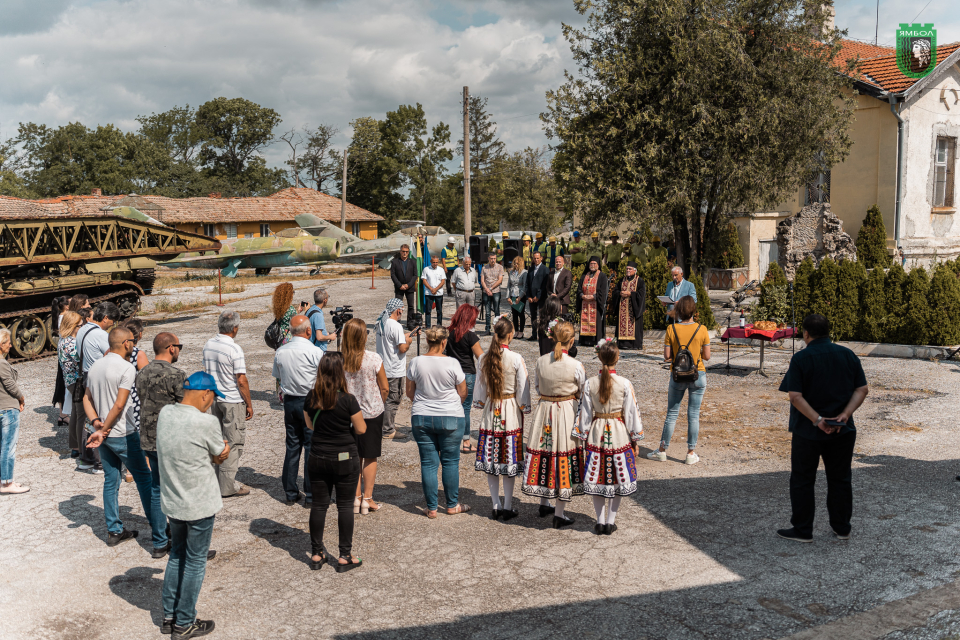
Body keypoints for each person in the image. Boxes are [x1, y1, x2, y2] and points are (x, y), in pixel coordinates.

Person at [776, 314, 868, 543]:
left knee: (803, 479)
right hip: (842, 429)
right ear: (828, 332)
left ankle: (803, 529)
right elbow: (862, 389)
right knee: (840, 479)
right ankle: (842, 527)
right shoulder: (847, 354)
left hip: (808, 431)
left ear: (806, 334)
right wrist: (846, 414)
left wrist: (818, 420)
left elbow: (795, 397)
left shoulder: (801, 359)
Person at [157, 371, 230, 638]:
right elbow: (219, 456)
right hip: (199, 502)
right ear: (204, 394)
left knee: (176, 555)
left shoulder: (166, 413)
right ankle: (184, 622)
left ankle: (168, 617)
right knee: (196, 561)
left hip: (173, 500)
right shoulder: (207, 422)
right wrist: (225, 450)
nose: (212, 403)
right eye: (212, 398)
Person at [83, 327, 168, 553]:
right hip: (123, 433)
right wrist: (106, 428)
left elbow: (86, 398)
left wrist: (96, 423)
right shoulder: (126, 368)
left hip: (105, 434)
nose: (134, 344)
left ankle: (114, 530)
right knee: (146, 481)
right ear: (126, 343)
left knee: (111, 481)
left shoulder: (94, 367)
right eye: (132, 341)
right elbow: (120, 404)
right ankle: (160, 533)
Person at [303, 352, 365, 572]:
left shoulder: (311, 397)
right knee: (345, 506)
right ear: (340, 372)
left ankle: (317, 553)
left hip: (318, 456)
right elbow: (361, 428)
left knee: (319, 505)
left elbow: (309, 425)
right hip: (345, 458)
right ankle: (344, 555)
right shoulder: (348, 400)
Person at [575, 340, 644, 535]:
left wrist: (582, 437)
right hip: (618, 433)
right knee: (616, 478)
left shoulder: (590, 383)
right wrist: (635, 439)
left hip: (597, 433)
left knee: (598, 478)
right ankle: (610, 522)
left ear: (599, 357)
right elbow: (632, 414)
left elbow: (585, 414)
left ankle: (599, 521)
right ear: (617, 358)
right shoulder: (624, 383)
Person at [523, 320, 583, 528]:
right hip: (565, 410)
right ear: (572, 340)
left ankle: (544, 502)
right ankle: (559, 513)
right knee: (562, 455)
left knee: (546, 452)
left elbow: (538, 389)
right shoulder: (576, 365)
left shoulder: (540, 361)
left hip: (545, 410)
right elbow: (582, 391)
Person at [406, 326, 470, 518]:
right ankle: (452, 505)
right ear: (444, 342)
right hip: (451, 416)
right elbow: (463, 392)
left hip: (421, 416)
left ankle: (431, 507)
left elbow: (410, 392)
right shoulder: (452, 363)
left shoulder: (416, 362)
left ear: (427, 341)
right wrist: (453, 404)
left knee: (428, 463)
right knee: (450, 462)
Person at [473, 316, 531, 520]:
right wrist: (524, 406)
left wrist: (480, 402)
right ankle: (507, 505)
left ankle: (495, 505)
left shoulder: (483, 358)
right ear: (511, 334)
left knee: (492, 461)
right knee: (508, 460)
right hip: (509, 411)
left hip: (491, 410)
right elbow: (523, 389)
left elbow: (479, 389)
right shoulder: (516, 358)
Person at [136, 331, 186, 557]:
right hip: (171, 440)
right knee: (179, 490)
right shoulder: (176, 375)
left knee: (156, 490)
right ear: (170, 348)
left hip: (148, 438)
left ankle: (158, 543)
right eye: (178, 346)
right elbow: (186, 407)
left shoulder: (142, 372)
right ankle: (184, 543)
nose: (179, 351)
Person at [647, 296, 710, 465]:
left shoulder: (671, 329)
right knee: (693, 415)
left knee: (672, 414)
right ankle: (690, 452)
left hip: (677, 375)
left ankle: (662, 450)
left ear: (680, 310)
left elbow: (667, 357)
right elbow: (707, 356)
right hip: (698, 374)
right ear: (694, 311)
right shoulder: (702, 329)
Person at [273, 315, 324, 505]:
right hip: (310, 402)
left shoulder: (281, 351)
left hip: (290, 402)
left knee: (292, 446)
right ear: (308, 331)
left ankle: (290, 491)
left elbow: (277, 375)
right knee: (311, 447)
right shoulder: (315, 352)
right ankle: (311, 493)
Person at [340, 318, 388, 514]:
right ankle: (367, 499)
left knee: (349, 456)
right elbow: (384, 387)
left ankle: (355, 497)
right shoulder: (374, 358)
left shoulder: (340, 360)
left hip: (346, 415)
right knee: (370, 455)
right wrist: (379, 402)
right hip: (371, 412)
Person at [203, 311, 253, 498]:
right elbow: (241, 380)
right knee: (233, 443)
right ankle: (227, 487)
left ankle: (215, 482)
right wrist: (248, 404)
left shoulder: (209, 344)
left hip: (215, 399)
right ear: (234, 328)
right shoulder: (234, 349)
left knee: (216, 440)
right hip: (232, 400)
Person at [72, 301, 119, 471]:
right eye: (112, 322)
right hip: (98, 377)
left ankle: (86, 458)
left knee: (88, 419)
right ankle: (100, 462)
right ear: (105, 318)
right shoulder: (100, 335)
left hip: (85, 375)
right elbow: (114, 353)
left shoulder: (83, 329)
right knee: (100, 419)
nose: (111, 326)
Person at [374, 299, 415, 440]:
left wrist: (405, 337)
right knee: (393, 399)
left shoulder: (382, 323)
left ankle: (385, 424)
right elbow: (402, 348)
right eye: (402, 310)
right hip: (394, 368)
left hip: (383, 366)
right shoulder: (396, 326)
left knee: (384, 399)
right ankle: (388, 430)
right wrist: (408, 341)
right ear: (398, 310)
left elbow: (391, 341)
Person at [445, 304, 483, 453]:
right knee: (465, 408)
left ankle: (450, 438)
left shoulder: (449, 333)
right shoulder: (470, 336)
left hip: (451, 374)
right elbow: (481, 357)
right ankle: (466, 441)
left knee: (451, 406)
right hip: (467, 374)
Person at [119, 317, 149, 483]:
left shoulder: (113, 353)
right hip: (135, 397)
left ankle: (128, 469)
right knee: (139, 433)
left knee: (126, 431)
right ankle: (144, 466)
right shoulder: (139, 354)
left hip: (119, 396)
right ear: (140, 335)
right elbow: (146, 378)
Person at [0, 328, 27, 495]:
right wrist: (21, 398)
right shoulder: (1, 363)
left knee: (2, 446)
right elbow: (10, 385)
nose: (11, 345)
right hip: (8, 409)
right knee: (8, 447)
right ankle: (7, 482)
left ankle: (4, 479)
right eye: (8, 343)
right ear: (1, 345)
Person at [57, 311, 82, 456]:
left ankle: (75, 446)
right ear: (73, 326)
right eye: (79, 325)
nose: (81, 328)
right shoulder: (71, 343)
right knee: (81, 415)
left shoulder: (62, 340)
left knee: (74, 413)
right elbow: (81, 360)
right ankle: (81, 446)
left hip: (69, 381)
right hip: (77, 381)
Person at [611, 261, 647, 349]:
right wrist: (620, 293)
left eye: (630, 269)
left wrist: (631, 294)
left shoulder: (640, 281)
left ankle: (634, 345)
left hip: (633, 309)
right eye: (627, 269)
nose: (628, 270)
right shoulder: (621, 280)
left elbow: (641, 294)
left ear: (635, 270)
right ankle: (621, 344)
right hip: (622, 308)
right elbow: (615, 291)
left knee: (634, 326)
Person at [575, 256, 609, 348]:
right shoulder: (584, 276)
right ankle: (585, 340)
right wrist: (582, 295)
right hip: (585, 304)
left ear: (598, 265)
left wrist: (594, 297)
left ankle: (595, 340)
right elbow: (579, 289)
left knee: (596, 323)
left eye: (594, 263)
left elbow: (603, 291)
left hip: (596, 305)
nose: (592, 265)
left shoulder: (602, 276)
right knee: (584, 320)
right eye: (591, 263)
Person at [51, 295, 71, 426]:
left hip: (61, 351)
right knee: (65, 382)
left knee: (61, 381)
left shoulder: (58, 317)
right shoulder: (66, 318)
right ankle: (64, 415)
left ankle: (62, 414)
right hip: (67, 352)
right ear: (67, 306)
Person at [390, 244, 418, 326]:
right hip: (399, 288)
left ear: (408, 252)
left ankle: (410, 323)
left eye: (406, 251)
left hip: (410, 288)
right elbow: (393, 275)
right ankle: (397, 323)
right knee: (397, 307)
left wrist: (408, 285)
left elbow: (415, 275)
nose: (404, 253)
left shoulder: (413, 262)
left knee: (411, 306)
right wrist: (399, 285)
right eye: (403, 251)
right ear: (400, 252)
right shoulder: (395, 262)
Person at [525, 251, 549, 341]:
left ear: (541, 258)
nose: (536, 260)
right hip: (532, 297)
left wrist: (538, 296)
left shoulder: (545, 269)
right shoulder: (531, 269)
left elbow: (544, 285)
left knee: (542, 316)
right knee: (533, 316)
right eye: (534, 258)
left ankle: (542, 334)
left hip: (541, 297)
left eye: (538, 258)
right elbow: (527, 284)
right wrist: (528, 296)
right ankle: (534, 334)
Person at [272, 282, 303, 347]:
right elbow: (296, 322)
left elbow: (287, 319)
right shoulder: (290, 309)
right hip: (288, 341)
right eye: (292, 292)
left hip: (280, 338)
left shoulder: (280, 307)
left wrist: (297, 311)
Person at [481, 252, 504, 335]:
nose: (493, 260)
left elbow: (500, 280)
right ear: (488, 259)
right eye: (491, 258)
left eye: (494, 258)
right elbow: (482, 281)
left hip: (496, 291)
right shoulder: (484, 268)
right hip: (486, 292)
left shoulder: (500, 267)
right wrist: (487, 289)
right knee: (487, 312)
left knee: (497, 311)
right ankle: (487, 329)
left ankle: (497, 329)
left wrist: (490, 288)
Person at [421, 254, 447, 328]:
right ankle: (428, 326)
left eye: (436, 262)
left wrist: (436, 289)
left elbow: (442, 281)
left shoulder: (441, 270)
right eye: (433, 262)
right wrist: (431, 289)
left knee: (439, 311)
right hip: (429, 293)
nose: (435, 264)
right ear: (430, 261)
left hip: (439, 293)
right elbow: (424, 280)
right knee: (428, 311)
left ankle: (439, 325)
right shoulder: (426, 269)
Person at [505, 256, 528, 338]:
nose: (516, 265)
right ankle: (516, 331)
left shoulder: (524, 272)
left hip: (520, 296)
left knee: (521, 314)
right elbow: (508, 285)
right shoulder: (512, 272)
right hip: (512, 295)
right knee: (514, 314)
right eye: (514, 263)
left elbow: (525, 286)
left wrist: (520, 297)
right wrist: (508, 297)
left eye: (517, 263)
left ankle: (521, 331)